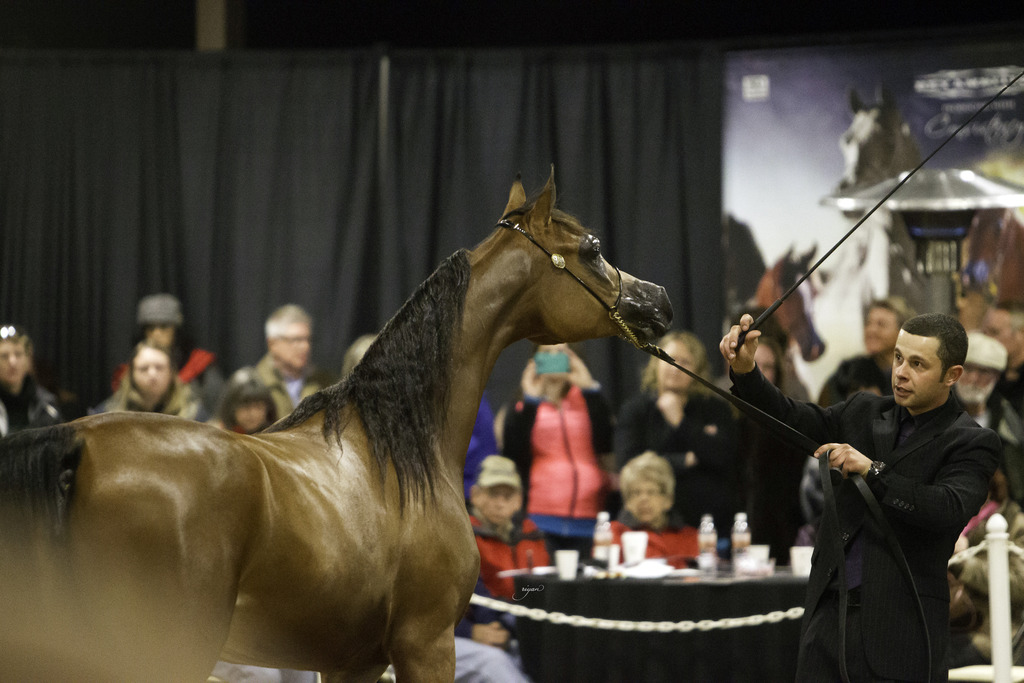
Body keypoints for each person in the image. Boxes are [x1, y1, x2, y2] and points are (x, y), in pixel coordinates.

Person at [721, 311, 1000, 681]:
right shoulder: (863, 410)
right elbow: (793, 419)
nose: (900, 372)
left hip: (901, 634)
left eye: (918, 364)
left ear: (953, 376)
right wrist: (746, 372)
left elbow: (947, 508)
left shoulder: (970, 441)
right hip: (827, 624)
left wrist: (873, 471)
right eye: (899, 358)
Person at [616, 330, 739, 533]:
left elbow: (723, 456)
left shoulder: (715, 409)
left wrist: (680, 423)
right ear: (655, 364)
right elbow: (629, 465)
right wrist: (685, 460)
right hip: (647, 526)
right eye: (668, 359)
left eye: (685, 361)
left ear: (697, 369)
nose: (675, 367)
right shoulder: (635, 410)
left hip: (707, 523)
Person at [502, 343, 614, 557]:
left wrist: (589, 388)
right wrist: (531, 400)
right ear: (534, 361)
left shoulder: (589, 400)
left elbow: (607, 442)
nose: (554, 358)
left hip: (590, 517)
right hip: (539, 518)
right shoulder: (523, 405)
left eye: (561, 353)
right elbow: (513, 454)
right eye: (547, 353)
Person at [738, 336, 807, 560]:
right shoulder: (726, 418)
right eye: (755, 363)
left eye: (768, 366)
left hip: (780, 533)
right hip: (732, 528)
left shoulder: (790, 424)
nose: (761, 371)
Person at [946, 469, 1024, 669]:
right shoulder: (951, 522)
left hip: (992, 632)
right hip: (948, 623)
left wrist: (963, 562)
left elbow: (1019, 586)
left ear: (987, 489)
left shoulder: (1015, 522)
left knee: (937, 663)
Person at [111, 293, 224, 413]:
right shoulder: (129, 373)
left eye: (164, 326)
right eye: (151, 327)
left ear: (176, 329)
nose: (156, 333)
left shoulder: (200, 368)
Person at [955, 331, 1024, 507]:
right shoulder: (937, 412)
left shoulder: (1006, 418)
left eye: (984, 372)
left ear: (996, 378)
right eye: (968, 369)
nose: (973, 379)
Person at [469, 455, 549, 601]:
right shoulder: (463, 534)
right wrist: (470, 625)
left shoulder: (531, 533)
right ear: (475, 495)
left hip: (529, 614)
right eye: (493, 494)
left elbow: (544, 585)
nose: (500, 504)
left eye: (508, 496)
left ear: (519, 500)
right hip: (486, 618)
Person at [817, 296, 915, 407]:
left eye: (881, 324)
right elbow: (827, 413)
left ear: (902, 332)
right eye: (868, 323)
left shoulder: (915, 376)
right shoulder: (848, 373)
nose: (871, 330)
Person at [610, 451, 698, 567]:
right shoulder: (614, 534)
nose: (643, 499)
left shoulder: (690, 538)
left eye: (651, 492)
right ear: (627, 502)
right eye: (636, 493)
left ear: (668, 500)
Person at [252, 304, 333, 420]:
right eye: (296, 340)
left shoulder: (326, 383)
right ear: (272, 344)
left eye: (308, 339)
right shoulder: (255, 385)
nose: (306, 346)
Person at [93, 341, 207, 420]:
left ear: (171, 373)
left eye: (159, 367)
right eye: (143, 369)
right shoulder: (106, 415)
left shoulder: (194, 416)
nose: (152, 374)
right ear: (131, 375)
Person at [0, 324, 62, 437]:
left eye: (18, 354)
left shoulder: (46, 407)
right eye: (4, 356)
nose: (12, 362)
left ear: (28, 360)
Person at [983, 302, 1024, 415]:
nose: (987, 339)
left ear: (1021, 333)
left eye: (994, 332)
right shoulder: (990, 374)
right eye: (985, 333)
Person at [210, 367, 278, 434]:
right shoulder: (217, 436)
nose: (253, 414)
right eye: (246, 407)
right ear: (231, 407)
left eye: (258, 407)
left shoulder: (276, 436)